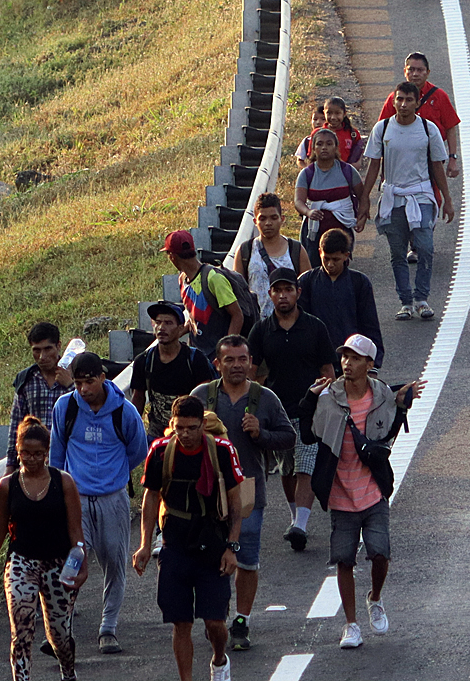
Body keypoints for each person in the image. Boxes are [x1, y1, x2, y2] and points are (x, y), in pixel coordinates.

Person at [301, 335, 424, 650]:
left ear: (370, 365)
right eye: (344, 357)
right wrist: (308, 401)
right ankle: (351, 625)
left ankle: (375, 597)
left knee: (380, 553)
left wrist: (401, 404)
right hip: (341, 494)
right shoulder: (328, 397)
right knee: (343, 559)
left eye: (355, 358)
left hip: (372, 492)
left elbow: (387, 436)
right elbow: (308, 434)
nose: (347, 363)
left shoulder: (382, 395)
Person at [192, 336, 295, 654]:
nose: (237, 365)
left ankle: (241, 619)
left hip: (249, 491)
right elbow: (176, 433)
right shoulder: (201, 397)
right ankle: (216, 617)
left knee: (247, 561)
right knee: (210, 560)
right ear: (218, 363)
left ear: (250, 362)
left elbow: (288, 436)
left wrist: (260, 433)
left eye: (242, 359)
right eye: (230, 360)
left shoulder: (264, 398)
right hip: (205, 494)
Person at [130, 399, 244, 681]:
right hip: (175, 544)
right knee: (181, 622)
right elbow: (151, 497)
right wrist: (145, 544)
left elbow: (236, 502)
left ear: (203, 425)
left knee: (215, 622)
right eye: (179, 428)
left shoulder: (221, 450)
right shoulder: (160, 452)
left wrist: (231, 547)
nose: (185, 434)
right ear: (172, 424)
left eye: (192, 428)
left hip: (212, 544)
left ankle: (219, 659)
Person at [49, 350, 148, 654]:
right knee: (72, 564)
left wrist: (111, 475)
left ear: (103, 378)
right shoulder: (65, 408)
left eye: (89, 382)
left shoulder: (124, 412)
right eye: (78, 383)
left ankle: (109, 628)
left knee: (114, 565)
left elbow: (138, 451)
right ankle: (60, 630)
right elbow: (57, 452)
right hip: (76, 500)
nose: (83, 389)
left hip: (113, 501)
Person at [0, 415, 87, 681]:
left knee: (59, 634)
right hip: (21, 562)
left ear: (46, 453)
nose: (30, 460)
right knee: (22, 628)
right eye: (24, 454)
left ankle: (68, 671)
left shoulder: (63, 482)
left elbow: (75, 529)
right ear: (17, 452)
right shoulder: (6, 486)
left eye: (37, 454)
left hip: (58, 564)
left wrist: (81, 563)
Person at [246, 272, 337, 551]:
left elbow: (328, 371)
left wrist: (326, 398)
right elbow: (252, 373)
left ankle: (301, 525)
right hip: (278, 413)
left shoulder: (315, 327)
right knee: (287, 470)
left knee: (305, 467)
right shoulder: (261, 331)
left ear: (298, 292)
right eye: (277, 291)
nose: (283, 295)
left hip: (308, 410)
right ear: (270, 295)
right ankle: (295, 516)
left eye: (288, 289)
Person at [359, 81, 453, 322]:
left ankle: (422, 298)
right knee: (397, 252)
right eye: (399, 99)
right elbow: (373, 166)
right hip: (393, 196)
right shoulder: (383, 129)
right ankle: (406, 302)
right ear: (393, 101)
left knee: (425, 247)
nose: (403, 104)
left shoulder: (427, 129)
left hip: (420, 194)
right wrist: (365, 199)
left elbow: (436, 166)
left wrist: (447, 199)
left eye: (409, 100)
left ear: (417, 103)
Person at [129, 302, 216, 438]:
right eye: (158, 322)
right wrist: (131, 430)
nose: (161, 328)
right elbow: (138, 398)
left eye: (169, 323)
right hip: (157, 434)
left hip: (188, 434)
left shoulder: (195, 359)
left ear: (181, 328)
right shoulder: (144, 360)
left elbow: (206, 397)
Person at [375, 52, 463, 187]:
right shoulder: (395, 99)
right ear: (405, 71)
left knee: (431, 197)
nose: (415, 74)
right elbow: (382, 131)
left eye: (420, 70)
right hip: (400, 159)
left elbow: (450, 127)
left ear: (427, 73)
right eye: (411, 69)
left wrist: (452, 158)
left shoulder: (439, 96)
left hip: (431, 159)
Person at [296, 226, 383, 356]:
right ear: (320, 252)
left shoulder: (359, 282)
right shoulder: (306, 282)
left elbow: (370, 324)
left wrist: (374, 362)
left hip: (352, 355)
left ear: (346, 255)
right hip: (317, 358)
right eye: (326, 258)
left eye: (335, 259)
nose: (330, 264)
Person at [163, 230, 243, 354]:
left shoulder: (213, 278)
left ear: (172, 256)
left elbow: (237, 315)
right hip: (198, 354)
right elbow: (194, 317)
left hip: (216, 354)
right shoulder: (183, 280)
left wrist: (227, 351)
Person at [293, 126, 366, 262]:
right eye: (319, 144)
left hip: (342, 231)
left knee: (340, 269)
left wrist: (362, 217)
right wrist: (308, 212)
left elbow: (363, 197)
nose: (324, 148)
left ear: (336, 147)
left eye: (329, 144)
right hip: (314, 232)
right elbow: (298, 201)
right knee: (314, 268)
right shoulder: (307, 174)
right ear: (313, 148)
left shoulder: (348, 171)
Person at [230, 193, 305, 318]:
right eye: (262, 218)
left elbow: (306, 289)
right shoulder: (245, 251)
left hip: (290, 324)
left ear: (282, 219)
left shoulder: (296, 250)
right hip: (256, 324)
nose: (268, 223)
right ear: (255, 221)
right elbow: (239, 292)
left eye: (274, 218)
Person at [12, 321, 77, 447]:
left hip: (68, 453)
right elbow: (16, 424)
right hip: (36, 457)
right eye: (36, 350)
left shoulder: (75, 375)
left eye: (48, 349)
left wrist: (70, 385)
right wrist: (10, 463)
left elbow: (90, 410)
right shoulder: (26, 380)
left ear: (58, 346)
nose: (42, 357)